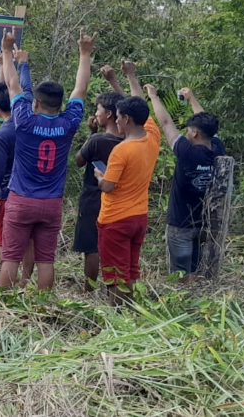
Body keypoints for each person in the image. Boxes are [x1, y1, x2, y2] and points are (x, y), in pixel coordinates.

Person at [0, 27, 94, 290]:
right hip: (51, 203)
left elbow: (12, 85)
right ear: (60, 105)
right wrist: (84, 54)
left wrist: (7, 51)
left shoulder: (24, 121)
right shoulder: (68, 123)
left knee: (11, 257)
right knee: (46, 260)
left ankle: (4, 306)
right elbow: (80, 89)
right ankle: (43, 306)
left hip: (21, 199)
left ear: (36, 104)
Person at [94, 60, 161, 304]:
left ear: (127, 120)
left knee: (115, 274)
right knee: (130, 270)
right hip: (138, 216)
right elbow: (138, 104)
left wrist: (100, 178)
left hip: (115, 219)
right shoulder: (152, 137)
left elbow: (108, 187)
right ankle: (132, 312)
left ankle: (119, 315)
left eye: (120, 117)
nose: (118, 121)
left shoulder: (122, 150)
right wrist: (126, 77)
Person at [146, 85, 224, 281]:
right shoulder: (217, 149)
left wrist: (153, 96)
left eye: (189, 130)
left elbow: (165, 122)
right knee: (196, 270)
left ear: (195, 133)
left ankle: (181, 302)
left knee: (180, 274)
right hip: (204, 223)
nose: (186, 133)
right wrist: (191, 99)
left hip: (181, 223)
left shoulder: (186, 151)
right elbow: (207, 125)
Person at [0, 58, 35, 282]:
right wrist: (22, 65)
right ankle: (25, 282)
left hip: (7, 194)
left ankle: (4, 280)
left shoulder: (2, 134)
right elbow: (27, 91)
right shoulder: (31, 122)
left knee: (6, 241)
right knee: (29, 240)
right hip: (33, 192)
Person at [73, 85, 124, 292]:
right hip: (118, 200)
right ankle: (117, 287)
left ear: (109, 115)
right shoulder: (127, 141)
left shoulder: (96, 140)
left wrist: (91, 134)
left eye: (98, 110)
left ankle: (89, 289)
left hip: (93, 198)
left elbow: (79, 161)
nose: (96, 114)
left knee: (91, 247)